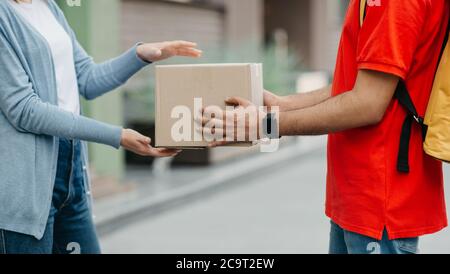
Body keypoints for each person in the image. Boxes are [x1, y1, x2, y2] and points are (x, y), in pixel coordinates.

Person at [203, 0, 450, 254]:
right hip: (365, 196)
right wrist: (283, 104)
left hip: (379, 202)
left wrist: (266, 124)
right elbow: (357, 86)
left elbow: (367, 103)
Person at [0, 0, 201, 254]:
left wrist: (139, 56)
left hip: (72, 172)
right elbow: (24, 109)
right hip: (26, 184)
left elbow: (86, 78)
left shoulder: (48, 7)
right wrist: (116, 136)